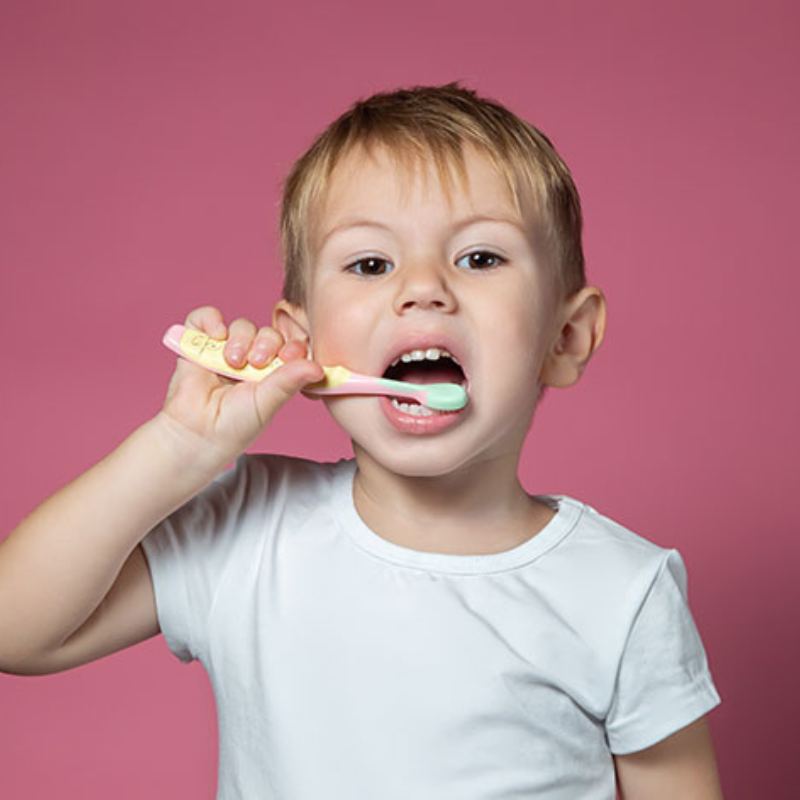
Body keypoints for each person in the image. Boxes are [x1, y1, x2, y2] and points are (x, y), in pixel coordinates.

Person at [0, 82, 724, 798]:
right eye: (371, 264)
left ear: (564, 338)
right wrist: (178, 448)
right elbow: (14, 631)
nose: (422, 289)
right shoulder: (247, 526)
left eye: (479, 258)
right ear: (302, 340)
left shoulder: (622, 590)